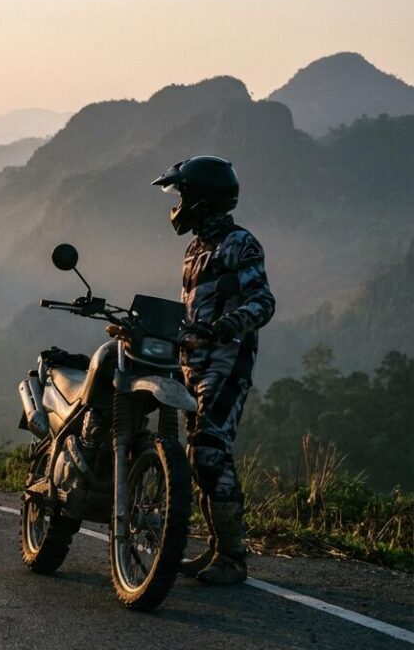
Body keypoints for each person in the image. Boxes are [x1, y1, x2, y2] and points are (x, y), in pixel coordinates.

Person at [152, 156, 275, 585]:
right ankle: (215, 547)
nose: (177, 204)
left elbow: (262, 302)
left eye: (182, 195)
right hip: (192, 363)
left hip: (226, 363)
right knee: (197, 456)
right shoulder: (195, 249)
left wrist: (225, 327)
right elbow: (190, 310)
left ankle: (233, 557)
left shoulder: (241, 244)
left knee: (209, 450)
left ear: (202, 199)